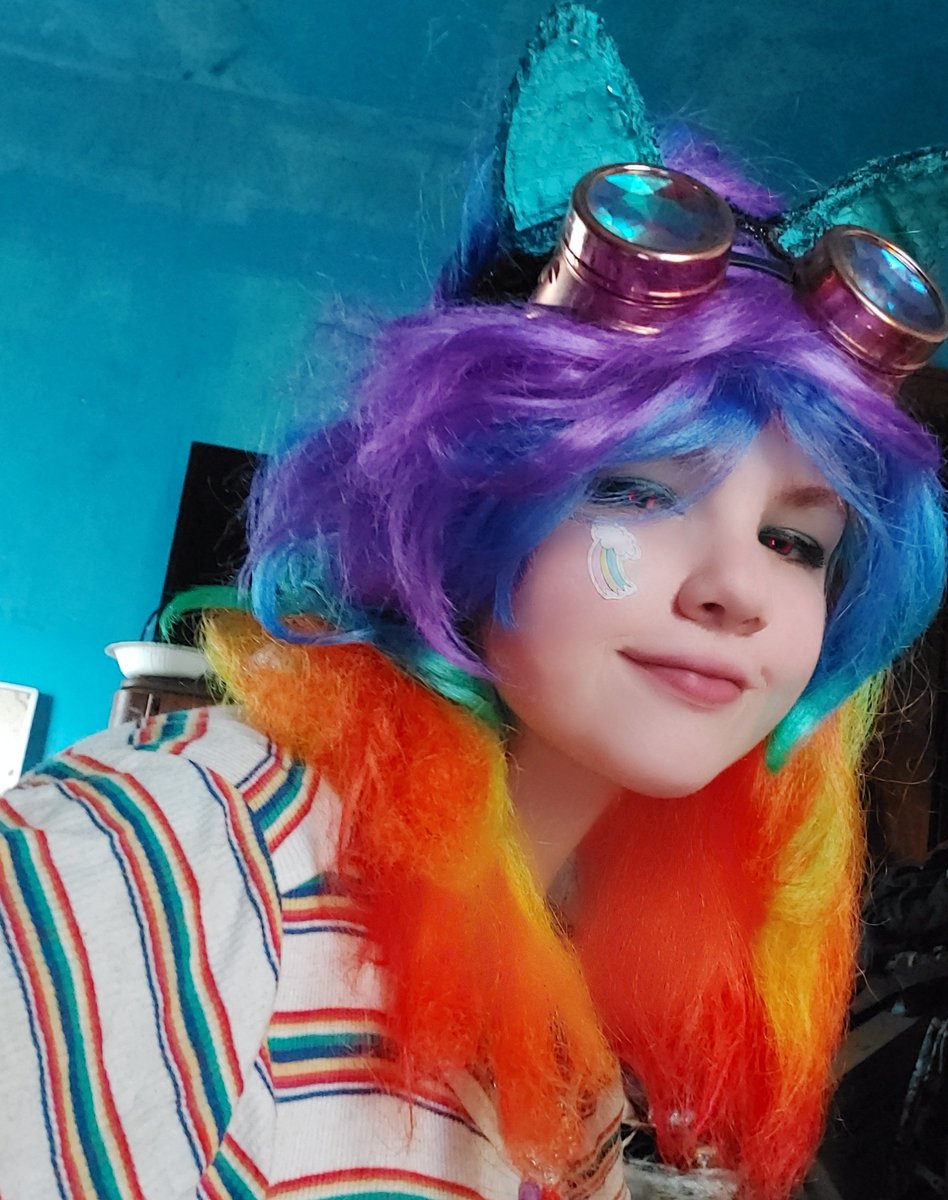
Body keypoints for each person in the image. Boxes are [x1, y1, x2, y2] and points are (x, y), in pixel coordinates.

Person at [2, 8, 947, 1200]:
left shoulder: (586, 1021)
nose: (737, 589)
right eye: (635, 490)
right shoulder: (180, 856)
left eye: (796, 542)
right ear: (466, 501)